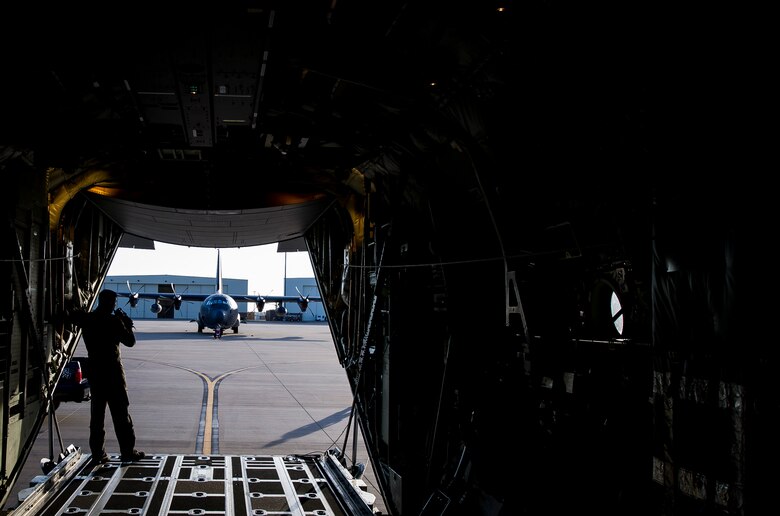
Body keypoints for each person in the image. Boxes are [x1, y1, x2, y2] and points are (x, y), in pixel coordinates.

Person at [68, 289, 145, 465]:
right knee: (121, 416)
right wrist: (126, 322)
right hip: (114, 374)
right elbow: (130, 342)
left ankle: (98, 454)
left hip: (95, 373)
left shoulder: (87, 319)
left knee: (97, 417)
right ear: (110, 303)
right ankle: (127, 452)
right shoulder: (113, 321)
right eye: (114, 302)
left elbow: (73, 316)